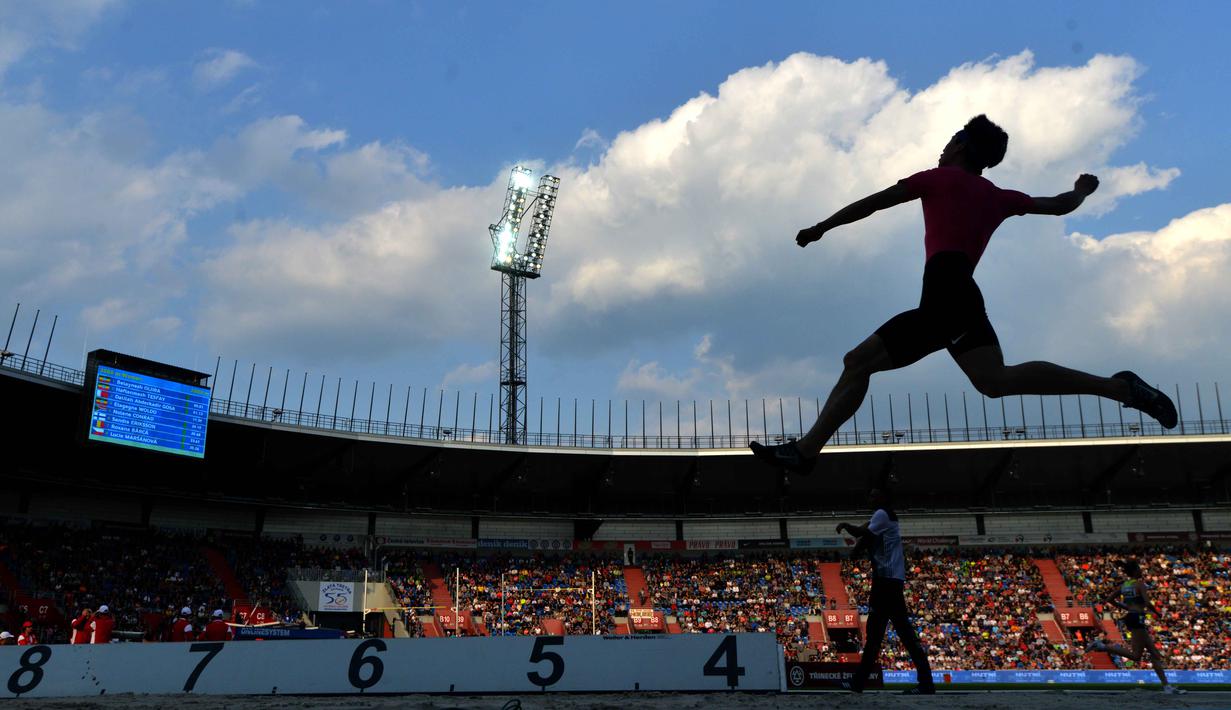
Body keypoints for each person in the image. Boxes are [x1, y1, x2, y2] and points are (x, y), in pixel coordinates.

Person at [750, 115, 1177, 474]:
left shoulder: (937, 179)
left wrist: (821, 227)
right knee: (995, 380)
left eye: (949, 140)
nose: (942, 147)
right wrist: (1082, 189)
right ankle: (1120, 388)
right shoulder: (997, 196)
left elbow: (873, 203)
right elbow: (1061, 204)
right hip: (962, 297)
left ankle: (806, 451)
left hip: (944, 295)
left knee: (857, 362)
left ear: (959, 145)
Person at [836, 488, 934, 695]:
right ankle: (925, 682)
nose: (869, 497)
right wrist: (855, 551)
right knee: (898, 634)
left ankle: (859, 683)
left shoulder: (882, 514)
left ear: (882, 497)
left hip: (886, 583)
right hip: (890, 582)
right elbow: (868, 536)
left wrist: (845, 526)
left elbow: (862, 533)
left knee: (877, 635)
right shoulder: (883, 516)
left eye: (873, 494)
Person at [1086, 559, 1185, 694]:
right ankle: (1101, 646)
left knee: (1155, 654)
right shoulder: (1139, 584)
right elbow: (1147, 602)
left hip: (1132, 616)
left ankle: (1166, 686)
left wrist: (1126, 607)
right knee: (1136, 656)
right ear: (1135, 571)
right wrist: (1157, 613)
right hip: (1137, 618)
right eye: (1139, 569)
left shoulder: (1124, 585)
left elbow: (1109, 599)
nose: (1141, 571)